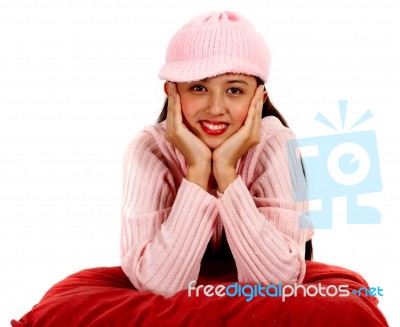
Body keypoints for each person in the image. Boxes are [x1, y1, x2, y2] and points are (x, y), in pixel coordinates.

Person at [120, 10, 314, 297]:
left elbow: (278, 283)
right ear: (172, 92)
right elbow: (157, 284)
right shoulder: (148, 150)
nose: (215, 108)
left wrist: (227, 173)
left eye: (234, 90)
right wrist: (197, 171)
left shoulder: (277, 145)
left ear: (259, 98)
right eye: (198, 87)